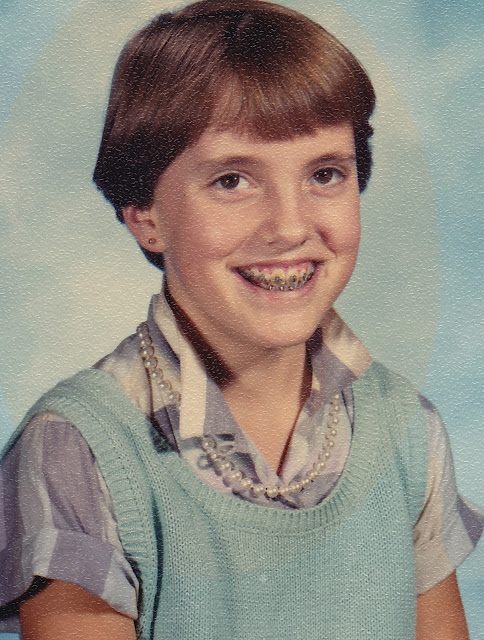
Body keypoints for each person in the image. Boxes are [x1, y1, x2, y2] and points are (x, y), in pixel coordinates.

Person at [0, 1, 482, 638]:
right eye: (232, 180)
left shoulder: (406, 429)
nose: (289, 226)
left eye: (325, 174)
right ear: (144, 215)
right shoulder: (79, 450)